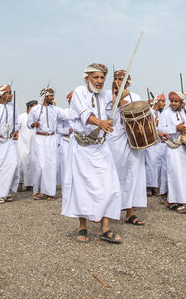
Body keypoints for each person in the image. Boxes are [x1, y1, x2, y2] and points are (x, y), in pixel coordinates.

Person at [61, 63, 122, 244]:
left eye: (102, 77)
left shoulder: (105, 95)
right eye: (95, 77)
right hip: (81, 147)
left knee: (109, 186)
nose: (99, 81)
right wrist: (99, 122)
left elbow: (113, 118)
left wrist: (116, 99)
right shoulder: (79, 92)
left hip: (101, 146)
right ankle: (82, 226)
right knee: (82, 187)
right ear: (87, 78)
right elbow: (84, 114)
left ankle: (105, 228)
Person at [106, 70, 148, 226]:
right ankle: (109, 211)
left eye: (122, 79)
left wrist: (127, 105)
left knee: (134, 176)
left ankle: (130, 212)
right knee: (115, 176)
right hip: (114, 142)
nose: (118, 81)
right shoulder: (106, 97)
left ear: (128, 82)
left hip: (134, 141)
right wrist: (115, 101)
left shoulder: (135, 97)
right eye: (116, 79)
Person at [158, 91, 186, 214]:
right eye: (172, 101)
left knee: (185, 175)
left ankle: (181, 200)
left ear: (182, 103)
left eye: (176, 101)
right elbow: (160, 128)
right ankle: (175, 201)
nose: (173, 103)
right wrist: (175, 128)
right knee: (174, 175)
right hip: (173, 148)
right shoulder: (165, 113)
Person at [28, 88, 67, 200]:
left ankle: (49, 192)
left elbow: (67, 116)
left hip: (52, 139)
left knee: (51, 166)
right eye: (51, 96)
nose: (53, 98)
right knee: (41, 166)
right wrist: (33, 124)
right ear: (45, 97)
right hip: (40, 138)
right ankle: (36, 190)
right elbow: (28, 124)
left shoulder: (56, 109)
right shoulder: (35, 110)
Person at [145, 93, 167, 196]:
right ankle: (149, 186)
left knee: (159, 164)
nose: (164, 103)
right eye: (162, 101)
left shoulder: (163, 114)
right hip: (150, 142)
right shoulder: (148, 112)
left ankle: (156, 186)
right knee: (151, 163)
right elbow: (145, 126)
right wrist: (152, 124)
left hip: (160, 142)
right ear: (157, 102)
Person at [18, 100, 38, 192]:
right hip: (22, 143)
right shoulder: (21, 117)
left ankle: (30, 184)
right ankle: (19, 183)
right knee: (22, 163)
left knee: (33, 163)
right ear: (29, 108)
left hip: (34, 144)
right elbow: (16, 129)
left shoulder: (37, 118)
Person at [56, 92, 73, 195]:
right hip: (66, 142)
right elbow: (58, 129)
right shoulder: (63, 112)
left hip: (79, 143)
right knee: (66, 167)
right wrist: (68, 131)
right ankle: (66, 192)